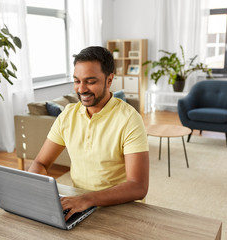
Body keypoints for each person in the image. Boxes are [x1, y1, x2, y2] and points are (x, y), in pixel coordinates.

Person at [28, 46, 149, 221]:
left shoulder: (130, 119)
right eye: (77, 81)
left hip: (121, 208)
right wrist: (39, 189)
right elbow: (40, 162)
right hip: (79, 207)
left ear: (109, 80)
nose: (81, 89)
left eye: (90, 81)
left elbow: (138, 186)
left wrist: (87, 199)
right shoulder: (67, 115)